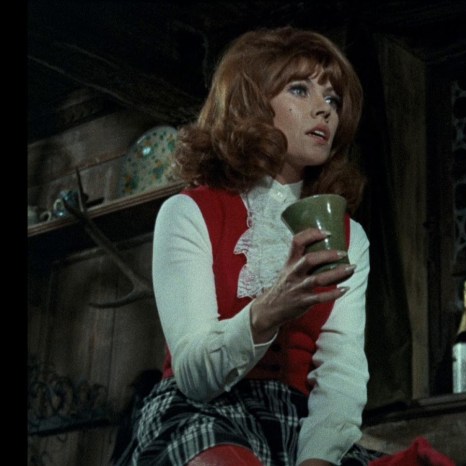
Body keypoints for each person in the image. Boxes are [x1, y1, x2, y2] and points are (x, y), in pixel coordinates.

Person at [113, 27, 385, 466]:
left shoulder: (351, 236)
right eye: (300, 89)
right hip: (202, 411)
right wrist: (266, 312)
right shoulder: (189, 212)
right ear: (252, 102)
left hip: (302, 425)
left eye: (333, 99)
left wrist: (317, 459)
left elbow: (342, 373)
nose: (324, 110)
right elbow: (195, 375)